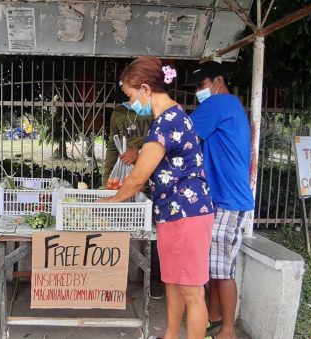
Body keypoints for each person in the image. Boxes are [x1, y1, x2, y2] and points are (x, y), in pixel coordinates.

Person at [97, 56, 214, 339]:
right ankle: (171, 336)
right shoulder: (165, 119)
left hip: (189, 214)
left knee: (192, 292)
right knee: (173, 283)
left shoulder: (168, 121)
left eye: (130, 95)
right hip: (171, 213)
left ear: (146, 89)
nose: (132, 102)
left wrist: (109, 203)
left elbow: (137, 178)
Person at [186, 62, 255, 339]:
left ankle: (227, 330)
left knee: (223, 269)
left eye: (202, 87)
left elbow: (182, 133)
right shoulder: (229, 106)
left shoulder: (221, 102)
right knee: (213, 266)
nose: (199, 93)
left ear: (218, 81)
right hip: (221, 197)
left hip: (228, 199)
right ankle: (214, 317)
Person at [102, 91, 166, 300]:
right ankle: (112, 279)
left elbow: (164, 144)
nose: (131, 100)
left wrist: (138, 152)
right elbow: (113, 146)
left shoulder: (156, 112)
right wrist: (107, 180)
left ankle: (154, 279)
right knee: (116, 228)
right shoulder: (119, 113)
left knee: (153, 234)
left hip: (154, 180)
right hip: (123, 180)